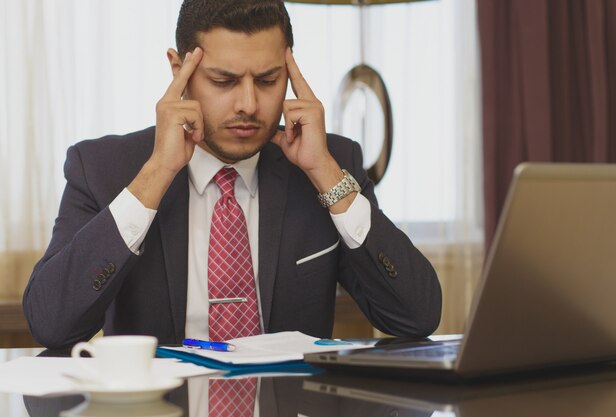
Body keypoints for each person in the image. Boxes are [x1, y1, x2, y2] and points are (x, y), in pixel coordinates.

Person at [23, 0, 442, 349]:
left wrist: (329, 176)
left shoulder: (333, 163)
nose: (248, 104)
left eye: (267, 80)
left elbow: (416, 315)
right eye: (223, 81)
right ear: (178, 70)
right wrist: (156, 173)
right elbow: (51, 323)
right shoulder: (102, 167)